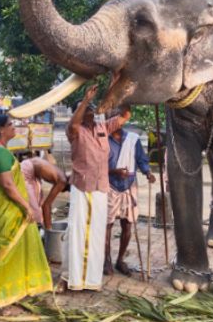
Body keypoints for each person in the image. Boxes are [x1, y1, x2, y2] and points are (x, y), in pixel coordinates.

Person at [0, 116, 52, 315]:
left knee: (12, 251)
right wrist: (27, 207)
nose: (14, 128)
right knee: (1, 251)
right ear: (1, 129)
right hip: (5, 211)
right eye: (11, 125)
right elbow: (8, 185)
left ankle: (7, 293)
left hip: (6, 209)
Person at [61, 85, 129, 292]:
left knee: (97, 232)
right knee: (78, 231)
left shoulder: (102, 128)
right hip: (82, 187)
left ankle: (91, 280)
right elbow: (73, 123)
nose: (92, 111)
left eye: (92, 108)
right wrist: (84, 100)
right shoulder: (75, 131)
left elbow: (125, 115)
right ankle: (74, 278)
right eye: (87, 109)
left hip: (101, 187)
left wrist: (123, 92)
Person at [105, 107, 156, 276]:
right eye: (111, 117)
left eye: (117, 117)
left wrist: (148, 172)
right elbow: (97, 167)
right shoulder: (103, 139)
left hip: (129, 185)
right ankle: (106, 260)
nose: (115, 120)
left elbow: (141, 160)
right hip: (110, 185)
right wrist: (114, 172)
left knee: (127, 223)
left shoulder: (133, 140)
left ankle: (120, 260)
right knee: (107, 224)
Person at [20, 157, 68, 228]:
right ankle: (38, 230)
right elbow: (46, 205)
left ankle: (40, 227)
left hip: (32, 171)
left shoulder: (62, 176)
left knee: (40, 201)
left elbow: (44, 204)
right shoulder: (62, 182)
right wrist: (49, 230)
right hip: (26, 171)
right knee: (35, 211)